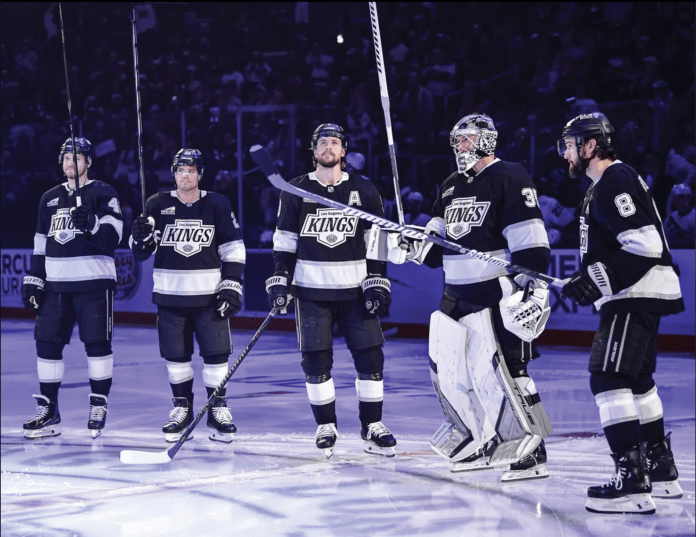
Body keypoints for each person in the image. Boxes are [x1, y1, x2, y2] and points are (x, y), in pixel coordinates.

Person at [400, 114, 553, 481]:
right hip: (455, 296)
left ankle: (532, 450)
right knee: (454, 373)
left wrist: (531, 288)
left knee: (507, 371)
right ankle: (479, 441)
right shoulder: (450, 186)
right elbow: (434, 250)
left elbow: (531, 243)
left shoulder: (509, 176)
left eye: (466, 139)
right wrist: (411, 243)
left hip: (494, 291)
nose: (460, 146)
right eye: (457, 140)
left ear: (486, 140)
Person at [558, 113, 685, 514]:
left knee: (608, 378)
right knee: (638, 383)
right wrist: (590, 278)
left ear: (590, 146)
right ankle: (660, 471)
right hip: (640, 292)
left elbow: (645, 244)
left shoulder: (614, 178)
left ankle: (632, 483)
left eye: (570, 145)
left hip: (634, 293)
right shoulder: (606, 183)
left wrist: (599, 280)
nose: (565, 153)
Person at [266, 123, 397, 458]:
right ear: (314, 151)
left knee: (371, 357)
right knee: (315, 360)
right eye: (322, 142)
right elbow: (285, 240)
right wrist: (281, 276)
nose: (328, 147)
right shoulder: (296, 189)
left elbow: (377, 240)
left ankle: (372, 425)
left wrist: (377, 280)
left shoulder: (364, 190)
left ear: (343, 151)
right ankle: (326, 425)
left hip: (355, 291)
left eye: (334, 142)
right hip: (311, 292)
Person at [130, 149, 246, 443]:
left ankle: (217, 410)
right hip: (170, 297)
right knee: (176, 357)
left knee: (216, 356)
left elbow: (233, 247)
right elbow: (143, 250)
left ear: (199, 174)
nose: (185, 175)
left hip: (209, 298)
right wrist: (139, 237)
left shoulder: (217, 203)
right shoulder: (156, 203)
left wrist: (232, 281)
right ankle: (182, 408)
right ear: (174, 173)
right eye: (181, 170)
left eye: (191, 171)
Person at [21, 137, 124, 439]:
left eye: (77, 158)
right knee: (46, 345)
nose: (70, 162)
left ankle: (98, 404)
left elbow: (114, 237)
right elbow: (40, 243)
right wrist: (36, 278)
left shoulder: (104, 192)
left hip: (94, 283)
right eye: (66, 157)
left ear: (88, 162)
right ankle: (49, 409)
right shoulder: (49, 198)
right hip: (56, 286)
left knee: (97, 345)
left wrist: (92, 224)